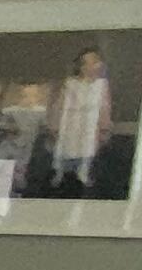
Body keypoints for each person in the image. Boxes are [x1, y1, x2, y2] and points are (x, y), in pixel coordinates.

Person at [49, 46, 114, 193]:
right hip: (71, 121)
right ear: (81, 66)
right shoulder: (71, 83)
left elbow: (105, 105)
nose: (91, 66)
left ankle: (83, 172)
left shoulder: (101, 85)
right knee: (65, 147)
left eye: (95, 62)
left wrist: (104, 124)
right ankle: (60, 173)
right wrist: (55, 123)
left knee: (87, 147)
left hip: (90, 122)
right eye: (87, 63)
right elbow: (60, 104)